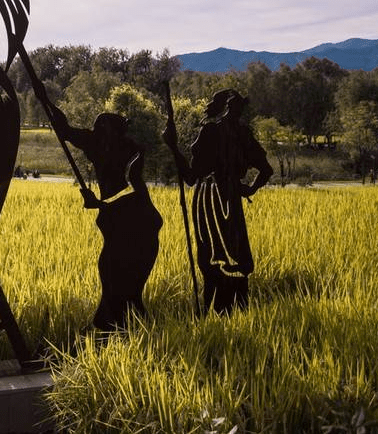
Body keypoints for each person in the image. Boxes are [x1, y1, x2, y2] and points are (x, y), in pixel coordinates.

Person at [51, 105, 163, 331]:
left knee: (124, 282)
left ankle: (119, 327)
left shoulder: (132, 151)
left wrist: (101, 204)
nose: (93, 132)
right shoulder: (98, 145)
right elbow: (65, 131)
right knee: (111, 273)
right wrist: (45, 98)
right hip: (116, 221)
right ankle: (110, 326)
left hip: (138, 222)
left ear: (112, 132)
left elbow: (134, 189)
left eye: (99, 127)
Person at [163, 89, 272, 314]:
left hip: (209, 197)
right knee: (233, 252)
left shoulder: (212, 131)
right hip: (229, 195)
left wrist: (173, 147)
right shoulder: (243, 134)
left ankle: (217, 308)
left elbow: (192, 177)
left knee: (212, 257)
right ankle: (233, 307)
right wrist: (247, 189)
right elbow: (266, 170)